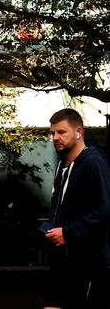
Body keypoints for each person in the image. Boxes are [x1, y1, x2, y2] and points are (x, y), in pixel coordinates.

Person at [43, 108, 110, 309]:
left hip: (87, 265)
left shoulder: (93, 161)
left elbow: (104, 208)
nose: (55, 137)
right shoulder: (62, 165)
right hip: (61, 264)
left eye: (61, 132)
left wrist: (68, 233)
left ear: (78, 131)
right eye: (52, 133)